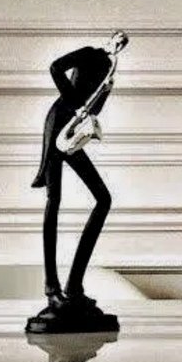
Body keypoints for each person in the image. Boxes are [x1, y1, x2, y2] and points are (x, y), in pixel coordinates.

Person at [32, 31, 128, 317]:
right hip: (59, 124)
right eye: (117, 40)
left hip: (74, 129)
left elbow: (93, 108)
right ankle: (52, 289)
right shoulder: (89, 53)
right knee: (54, 201)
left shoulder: (109, 68)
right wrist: (74, 102)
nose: (118, 46)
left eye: (123, 45)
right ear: (110, 39)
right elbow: (55, 68)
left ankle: (74, 287)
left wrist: (105, 92)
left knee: (103, 199)